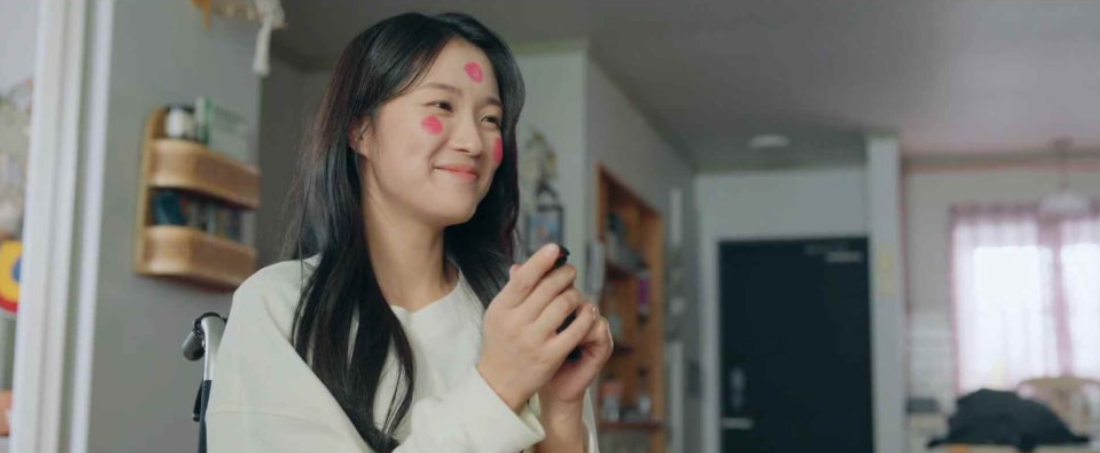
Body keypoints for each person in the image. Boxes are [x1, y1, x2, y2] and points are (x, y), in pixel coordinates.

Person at [206, 11, 612, 453]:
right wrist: (498, 385)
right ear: (360, 130)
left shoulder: (513, 314)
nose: (473, 142)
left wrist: (561, 408)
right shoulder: (278, 307)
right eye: (442, 106)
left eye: (490, 119)